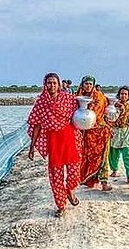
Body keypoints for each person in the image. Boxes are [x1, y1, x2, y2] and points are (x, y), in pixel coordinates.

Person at [27, 73, 82, 217]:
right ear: (45, 85)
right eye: (49, 83)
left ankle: (70, 189)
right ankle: (61, 205)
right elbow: (37, 125)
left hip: (69, 137)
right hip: (54, 141)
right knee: (55, 175)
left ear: (59, 84)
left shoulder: (69, 99)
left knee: (74, 172)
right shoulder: (41, 102)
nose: (52, 86)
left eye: (54, 83)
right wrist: (32, 147)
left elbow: (84, 106)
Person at [76, 75, 113, 191]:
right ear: (82, 85)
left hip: (100, 132)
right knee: (87, 156)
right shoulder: (78, 97)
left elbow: (99, 114)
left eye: (90, 84)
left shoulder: (100, 97)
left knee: (102, 157)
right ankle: (87, 178)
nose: (88, 86)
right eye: (86, 84)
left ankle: (104, 181)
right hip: (85, 133)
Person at [108, 86, 129, 184]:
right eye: (122, 94)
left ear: (128, 96)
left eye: (125, 94)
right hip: (115, 131)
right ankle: (114, 170)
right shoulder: (114, 106)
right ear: (119, 95)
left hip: (126, 132)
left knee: (127, 155)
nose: (123, 96)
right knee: (113, 153)